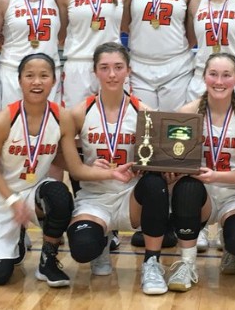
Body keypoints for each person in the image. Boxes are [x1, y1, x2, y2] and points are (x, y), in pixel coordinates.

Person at [61, 43, 172, 295]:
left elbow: (161, 160)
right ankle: (100, 242)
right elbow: (74, 170)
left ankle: (151, 263)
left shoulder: (145, 112)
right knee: (81, 249)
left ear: (128, 71)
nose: (112, 74)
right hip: (95, 197)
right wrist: (98, 169)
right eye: (105, 68)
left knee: (155, 184)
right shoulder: (79, 113)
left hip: (131, 198)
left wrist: (161, 170)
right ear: (95, 72)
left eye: (118, 67)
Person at [169, 52, 235, 292]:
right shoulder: (185, 113)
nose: (219, 81)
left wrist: (216, 176)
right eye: (213, 74)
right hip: (200, 195)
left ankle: (231, 246)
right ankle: (187, 262)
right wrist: (171, 172)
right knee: (186, 188)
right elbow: (175, 161)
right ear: (204, 77)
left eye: (226, 75)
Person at [0, 53, 75, 287]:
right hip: (3, 196)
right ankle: (17, 239)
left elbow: (72, 165)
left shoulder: (62, 117)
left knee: (60, 195)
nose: (37, 82)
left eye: (44, 76)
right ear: (19, 80)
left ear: (54, 80)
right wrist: (12, 200)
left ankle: (47, 261)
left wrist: (109, 171)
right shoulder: (2, 121)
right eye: (30, 76)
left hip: (34, 193)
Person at [0, 0, 62, 105]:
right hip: (13, 73)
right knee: (13, 126)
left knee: (48, 127)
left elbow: (63, 35)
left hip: (49, 74)